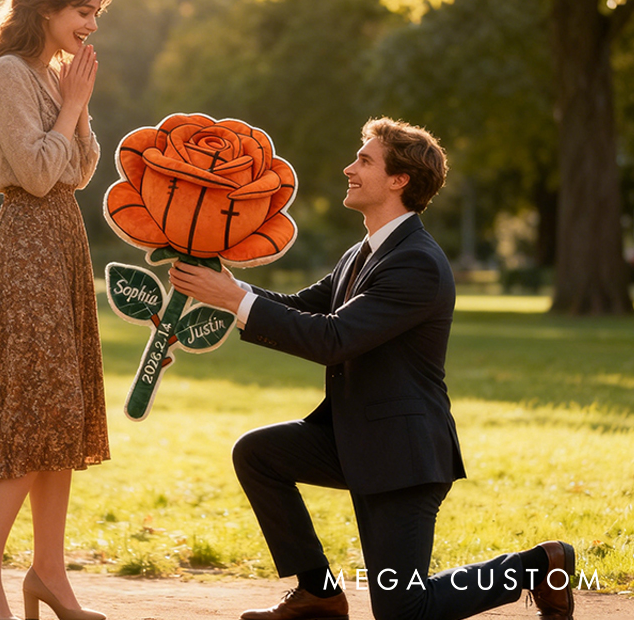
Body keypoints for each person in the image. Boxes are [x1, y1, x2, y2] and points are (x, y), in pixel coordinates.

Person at [169, 117, 575, 620]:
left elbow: (333, 338)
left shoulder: (417, 263)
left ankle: (539, 565)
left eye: (364, 160)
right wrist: (225, 290)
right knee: (259, 453)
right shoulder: (364, 252)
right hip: (354, 440)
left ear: (399, 180)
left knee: (404, 610)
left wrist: (233, 297)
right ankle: (318, 591)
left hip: (402, 457)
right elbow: (303, 309)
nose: (349, 168)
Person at [0, 0, 113, 620]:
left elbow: (83, 165)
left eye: (97, 14)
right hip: (26, 248)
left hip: (63, 246)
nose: (90, 26)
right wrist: (75, 105)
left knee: (63, 418)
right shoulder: (9, 76)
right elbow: (44, 173)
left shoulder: (51, 76)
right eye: (83, 11)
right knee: (30, 415)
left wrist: (73, 107)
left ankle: (48, 571)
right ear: (46, 7)